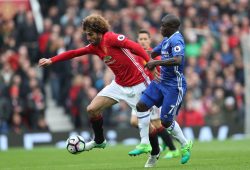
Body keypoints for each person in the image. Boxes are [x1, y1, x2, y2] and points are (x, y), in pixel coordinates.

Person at [38, 14, 159, 167]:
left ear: (99, 31)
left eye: (90, 34)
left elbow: (134, 46)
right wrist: (52, 60)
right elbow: (74, 53)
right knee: (92, 109)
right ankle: (99, 141)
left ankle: (155, 153)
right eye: (86, 34)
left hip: (138, 83)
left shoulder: (111, 38)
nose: (88, 37)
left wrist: (151, 62)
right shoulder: (94, 47)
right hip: (119, 84)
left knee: (148, 127)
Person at [136, 14, 193, 165]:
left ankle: (185, 144)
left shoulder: (176, 39)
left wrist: (155, 63)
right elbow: (153, 53)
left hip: (174, 86)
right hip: (160, 82)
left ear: (172, 27)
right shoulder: (167, 39)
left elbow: (178, 60)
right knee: (141, 106)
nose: (161, 28)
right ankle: (145, 143)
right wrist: (138, 53)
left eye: (163, 25)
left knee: (166, 122)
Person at [129, 29, 180, 159]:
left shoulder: (154, 55)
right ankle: (158, 142)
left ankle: (173, 149)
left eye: (145, 39)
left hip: (152, 93)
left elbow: (162, 72)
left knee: (157, 123)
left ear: (150, 40)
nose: (143, 41)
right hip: (138, 92)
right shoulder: (134, 55)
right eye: (140, 39)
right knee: (134, 122)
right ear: (137, 41)